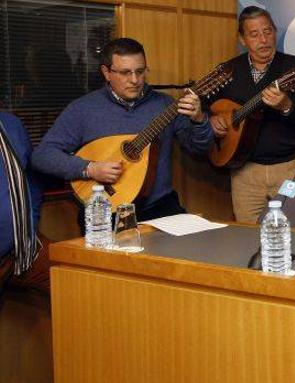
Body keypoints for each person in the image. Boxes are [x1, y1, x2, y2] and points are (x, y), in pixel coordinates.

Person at [32, 38, 213, 225]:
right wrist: (90, 169)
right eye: (125, 73)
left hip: (159, 207)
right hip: (104, 213)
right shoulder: (83, 109)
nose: (135, 80)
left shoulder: (165, 105)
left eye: (140, 71)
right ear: (106, 72)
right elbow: (43, 156)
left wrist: (199, 119)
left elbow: (201, 148)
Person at [208, 6, 295, 223]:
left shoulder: (294, 67)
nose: (263, 40)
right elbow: (203, 104)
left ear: (275, 32)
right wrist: (210, 119)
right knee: (248, 237)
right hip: (245, 174)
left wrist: (286, 105)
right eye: (254, 34)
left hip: (292, 168)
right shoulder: (228, 71)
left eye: (267, 32)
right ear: (242, 39)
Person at [0, 111, 45, 292]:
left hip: (26, 249)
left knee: (77, 283)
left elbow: (31, 177)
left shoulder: (11, 123)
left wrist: (32, 218)